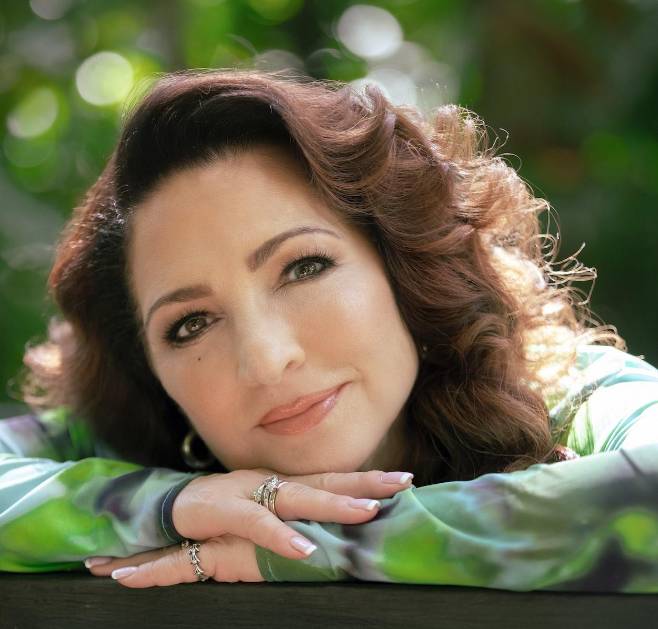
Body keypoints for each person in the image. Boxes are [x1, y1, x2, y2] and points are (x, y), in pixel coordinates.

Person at [1, 68, 657, 592]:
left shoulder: (564, 393)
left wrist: (308, 544)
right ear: (151, 371)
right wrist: (174, 504)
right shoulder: (130, 438)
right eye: (190, 324)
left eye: (304, 267)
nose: (266, 359)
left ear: (402, 266)